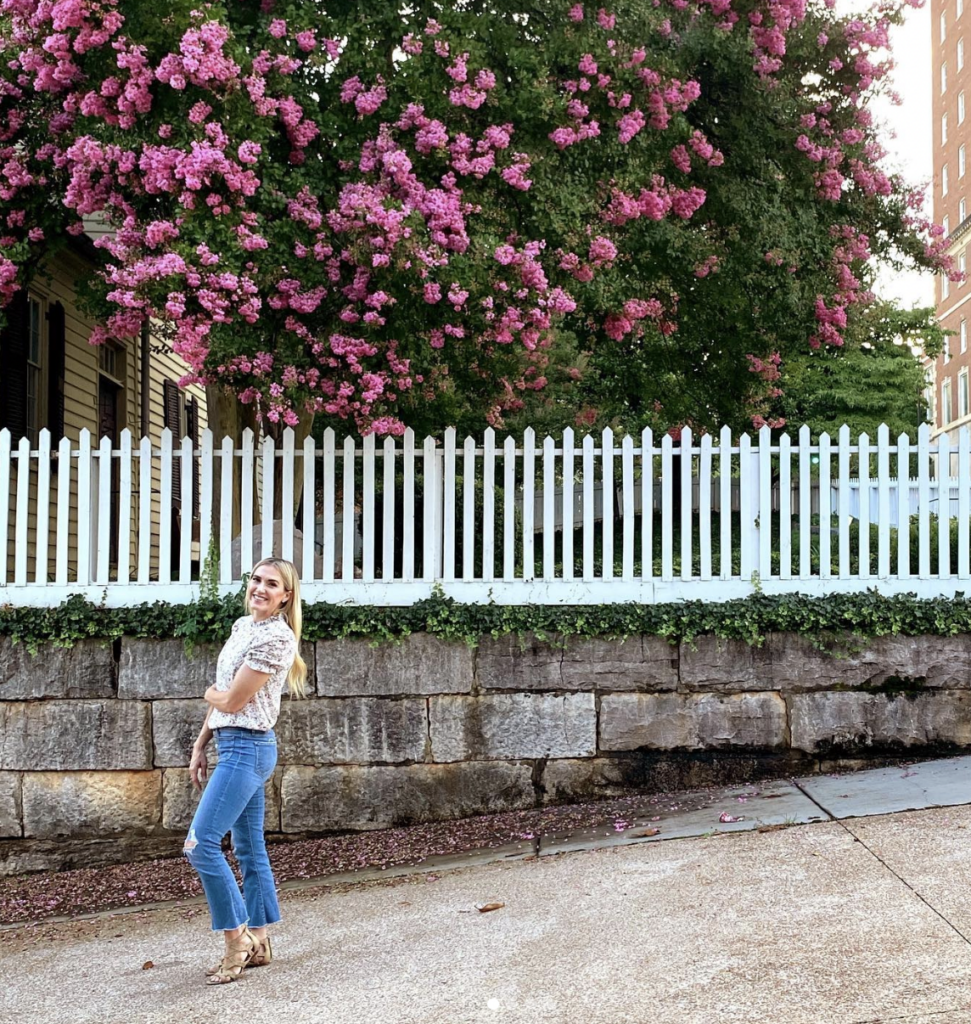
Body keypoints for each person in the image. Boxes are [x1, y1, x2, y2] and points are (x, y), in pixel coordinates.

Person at [184, 557, 307, 986]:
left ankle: (236, 939)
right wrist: (201, 744)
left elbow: (232, 701)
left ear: (286, 596)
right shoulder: (243, 627)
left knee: (200, 845)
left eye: (272, 584)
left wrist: (210, 694)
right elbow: (225, 697)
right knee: (249, 849)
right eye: (256, 579)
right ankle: (260, 938)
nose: (260, 588)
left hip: (248, 749)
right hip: (230, 744)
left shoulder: (277, 638)